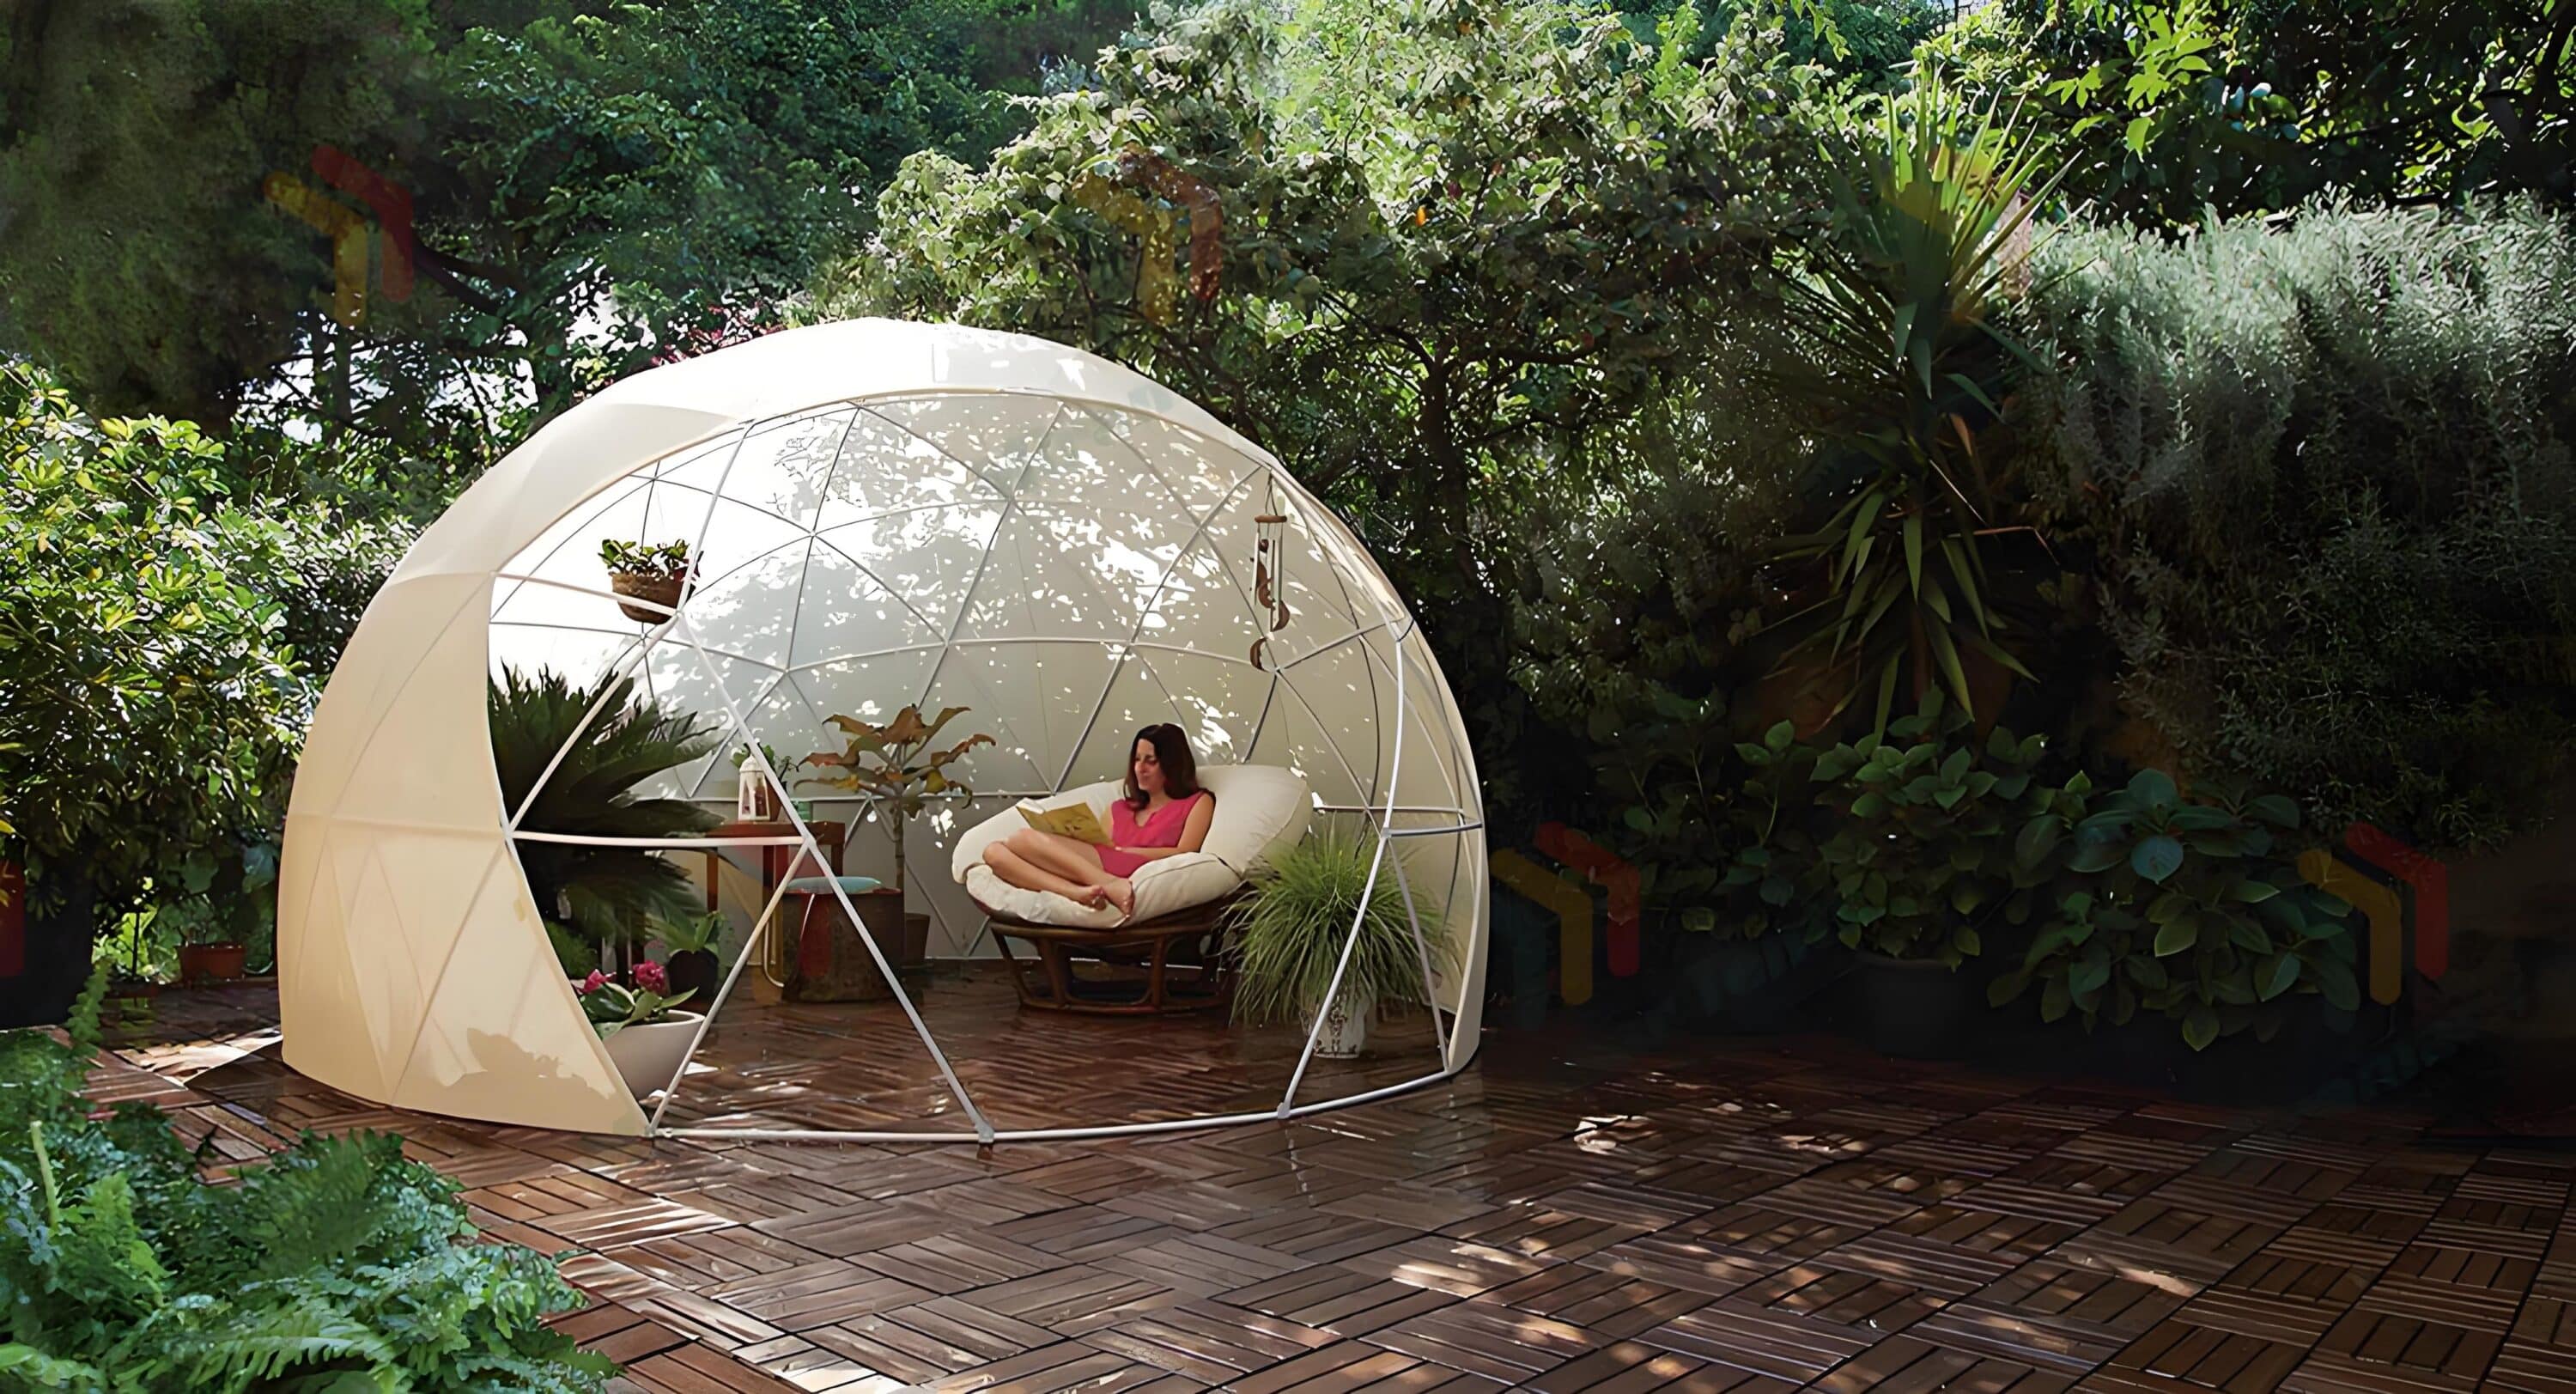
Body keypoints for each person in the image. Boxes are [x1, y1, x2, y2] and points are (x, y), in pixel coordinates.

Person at [981, 723, 1216, 919]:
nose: (1140, 768)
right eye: (1137, 759)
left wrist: (1130, 850)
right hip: (1095, 865)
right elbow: (1100, 845)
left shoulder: (1197, 802)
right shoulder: (1120, 808)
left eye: (1150, 761)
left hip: (1129, 866)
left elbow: (1187, 850)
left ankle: (1109, 883)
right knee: (993, 853)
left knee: (1022, 838)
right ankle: (1077, 892)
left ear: (1172, 763)